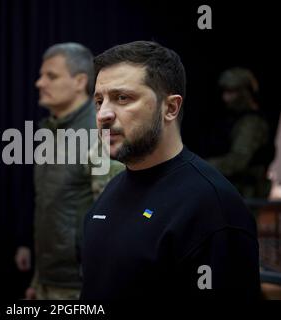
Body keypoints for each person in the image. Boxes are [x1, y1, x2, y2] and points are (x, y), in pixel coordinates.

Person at [80, 41, 261, 299]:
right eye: (99, 101)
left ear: (170, 108)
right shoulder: (112, 191)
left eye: (123, 98)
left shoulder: (213, 207)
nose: (103, 114)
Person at [14, 43, 123, 300]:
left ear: (79, 81)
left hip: (80, 286)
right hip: (49, 280)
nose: (39, 83)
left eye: (50, 76)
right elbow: (48, 208)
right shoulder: (49, 132)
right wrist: (39, 280)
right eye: (41, 75)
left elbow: (112, 221)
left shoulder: (98, 134)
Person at [206, 67, 274, 199]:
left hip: (245, 192)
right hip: (232, 190)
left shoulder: (251, 122)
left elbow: (238, 160)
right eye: (225, 92)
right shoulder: (234, 119)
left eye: (232, 92)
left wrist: (202, 166)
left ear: (245, 92)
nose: (226, 98)